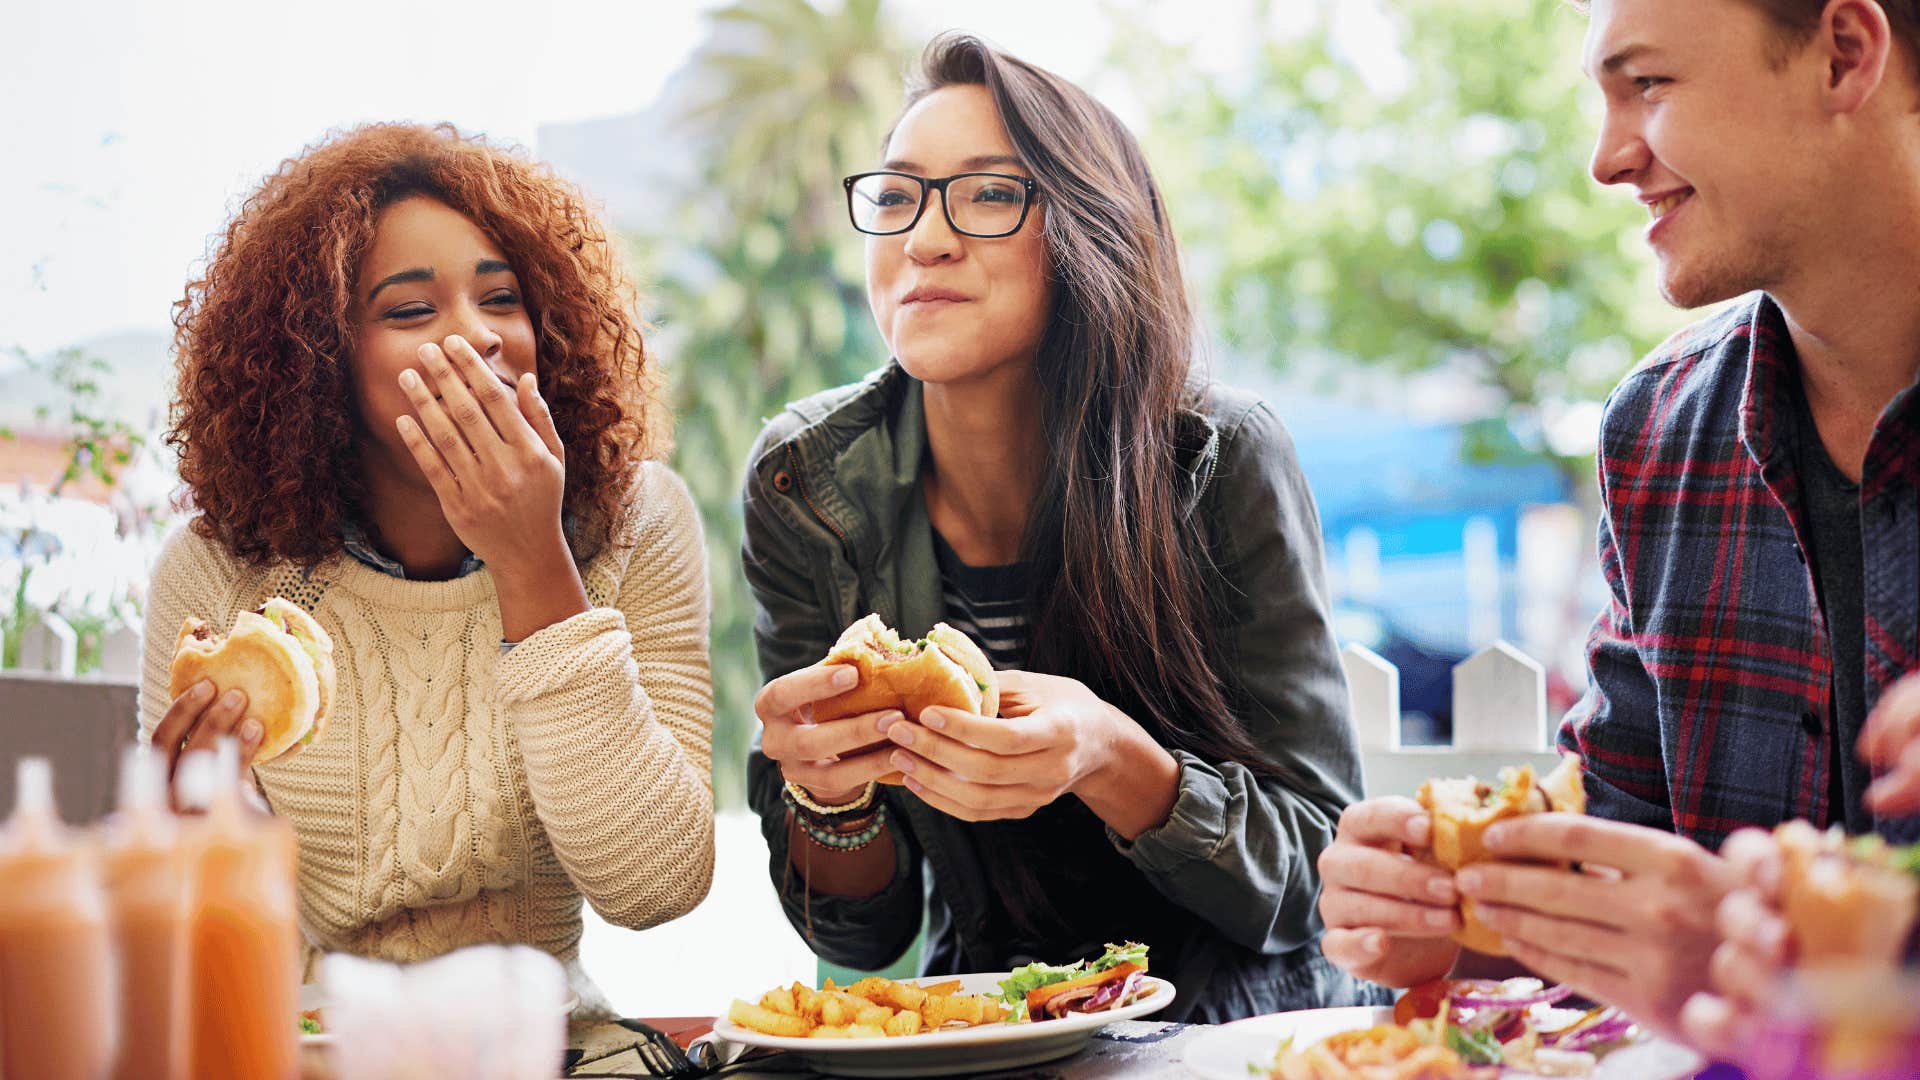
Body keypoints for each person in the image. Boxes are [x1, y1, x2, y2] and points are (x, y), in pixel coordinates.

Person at [740, 32, 1383, 1023]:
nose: (925, 239)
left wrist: (1110, 757)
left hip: (1239, 1034)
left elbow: (1314, 880)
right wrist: (826, 796)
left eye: (990, 194)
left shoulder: (1221, 455)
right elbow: (859, 936)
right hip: (984, 1029)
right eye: (899, 195)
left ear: (1090, 232)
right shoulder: (806, 484)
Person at [1316, 0, 1920, 1039]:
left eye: (1648, 85)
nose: (1606, 159)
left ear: (1844, 54)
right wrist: (1460, 924)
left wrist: (1767, 973)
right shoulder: (1657, 427)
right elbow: (1621, 842)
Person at [141, 123, 714, 1019]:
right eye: (411, 311)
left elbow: (656, 885)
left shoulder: (635, 524)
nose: (475, 338)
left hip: (553, 1048)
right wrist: (204, 844)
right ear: (319, 360)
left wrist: (533, 560)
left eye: (503, 300)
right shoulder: (222, 573)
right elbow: (199, 940)